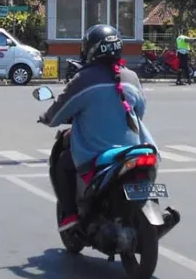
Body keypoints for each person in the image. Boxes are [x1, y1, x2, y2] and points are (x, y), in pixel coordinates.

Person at [38, 24, 155, 233]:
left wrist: (46, 118)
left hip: (97, 153)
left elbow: (57, 115)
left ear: (91, 50)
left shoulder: (83, 79)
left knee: (63, 162)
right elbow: (140, 111)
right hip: (135, 148)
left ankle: (70, 215)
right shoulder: (132, 78)